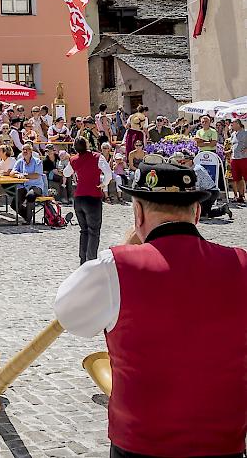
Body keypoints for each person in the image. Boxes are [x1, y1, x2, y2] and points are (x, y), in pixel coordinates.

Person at [54, 161, 247, 458]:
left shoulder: (114, 267)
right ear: (197, 213)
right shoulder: (241, 265)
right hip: (223, 447)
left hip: (140, 446)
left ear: (138, 213)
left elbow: (68, 315)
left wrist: (130, 241)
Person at [63, 137, 112, 264]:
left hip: (79, 198)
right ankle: (91, 261)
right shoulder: (97, 157)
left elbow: (66, 173)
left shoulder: (74, 159)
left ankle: (83, 260)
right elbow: (109, 174)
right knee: (94, 231)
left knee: (83, 230)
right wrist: (103, 183)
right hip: (93, 198)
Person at [171, 150, 231, 219]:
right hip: (209, 191)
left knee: (200, 215)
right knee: (204, 213)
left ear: (190, 161)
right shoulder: (192, 168)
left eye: (183, 162)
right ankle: (223, 209)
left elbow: (196, 189)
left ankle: (221, 210)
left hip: (210, 192)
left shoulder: (196, 170)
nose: (181, 164)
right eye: (179, 163)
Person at [11, 144, 45, 222]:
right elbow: (12, 173)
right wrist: (18, 174)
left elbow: (36, 175)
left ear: (31, 151)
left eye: (27, 149)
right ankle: (27, 214)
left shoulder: (37, 161)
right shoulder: (20, 161)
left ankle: (28, 219)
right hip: (24, 186)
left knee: (30, 195)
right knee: (14, 204)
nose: (25, 151)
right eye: (23, 149)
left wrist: (24, 175)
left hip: (36, 186)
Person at [229, 118, 247, 202]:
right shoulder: (233, 134)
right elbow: (233, 145)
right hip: (234, 158)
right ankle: (241, 196)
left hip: (244, 158)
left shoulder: (245, 132)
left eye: (233, 123)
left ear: (238, 124)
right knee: (237, 178)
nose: (231, 125)